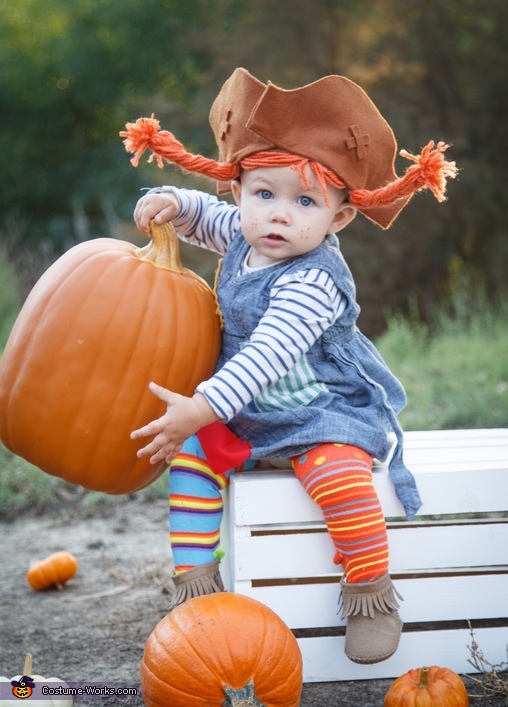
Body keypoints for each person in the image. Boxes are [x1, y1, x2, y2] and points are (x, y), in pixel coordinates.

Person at [120, 68, 457, 664]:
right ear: (241, 191)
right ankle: (195, 587)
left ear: (339, 218)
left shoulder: (315, 279)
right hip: (248, 415)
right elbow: (206, 217)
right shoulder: (253, 236)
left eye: (305, 201)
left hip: (319, 413)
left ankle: (370, 592)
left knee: (340, 481)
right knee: (192, 461)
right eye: (264, 194)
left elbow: (265, 355)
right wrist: (175, 203)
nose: (278, 215)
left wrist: (199, 406)